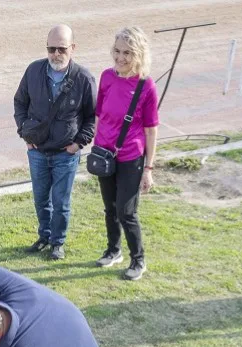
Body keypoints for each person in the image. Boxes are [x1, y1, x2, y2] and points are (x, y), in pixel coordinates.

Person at [13, 24, 96, 261]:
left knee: (61, 201)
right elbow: (20, 102)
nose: (56, 54)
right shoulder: (33, 71)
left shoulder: (83, 78)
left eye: (61, 49)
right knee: (41, 198)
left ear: (73, 48)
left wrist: (79, 144)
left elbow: (92, 116)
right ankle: (45, 236)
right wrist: (24, 133)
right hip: (37, 151)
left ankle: (57, 243)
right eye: (51, 49)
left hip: (65, 154)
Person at [91, 26, 159, 281]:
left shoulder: (146, 86)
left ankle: (138, 260)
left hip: (131, 157)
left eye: (127, 53)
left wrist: (149, 169)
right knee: (109, 208)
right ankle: (113, 250)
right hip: (104, 154)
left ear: (139, 54)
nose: (120, 58)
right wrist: (97, 145)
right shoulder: (107, 77)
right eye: (117, 51)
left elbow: (151, 131)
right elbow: (100, 114)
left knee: (126, 211)